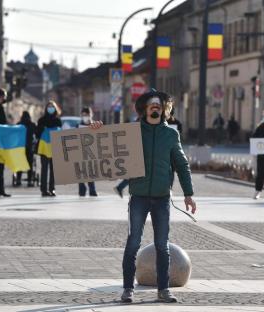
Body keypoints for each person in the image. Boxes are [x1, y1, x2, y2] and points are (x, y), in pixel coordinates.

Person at [89, 90, 196, 303]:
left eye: (159, 104)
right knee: (133, 243)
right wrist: (97, 131)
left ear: (164, 108)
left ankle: (163, 290)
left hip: (162, 198)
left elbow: (182, 165)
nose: (155, 107)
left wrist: (188, 194)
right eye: (151, 104)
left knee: (162, 245)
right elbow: (109, 143)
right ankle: (128, 289)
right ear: (145, 108)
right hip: (138, 197)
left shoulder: (171, 135)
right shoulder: (133, 131)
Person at [36, 100, 62, 197]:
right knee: (44, 169)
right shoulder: (41, 120)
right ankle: (44, 189)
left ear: (55, 108)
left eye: (52, 107)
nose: (50, 108)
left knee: (53, 169)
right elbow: (37, 134)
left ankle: (52, 189)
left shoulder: (58, 121)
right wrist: (41, 129)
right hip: (44, 147)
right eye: (49, 107)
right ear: (46, 109)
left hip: (55, 146)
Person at [77, 107, 98, 197]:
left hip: (91, 152)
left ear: (90, 115)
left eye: (87, 115)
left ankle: (92, 190)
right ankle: (82, 189)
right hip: (80, 152)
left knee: (91, 172)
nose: (85, 117)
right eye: (83, 115)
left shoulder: (95, 125)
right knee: (80, 171)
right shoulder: (78, 126)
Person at [15, 111, 36, 187]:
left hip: (20, 147)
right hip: (29, 147)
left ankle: (18, 179)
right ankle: (30, 180)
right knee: (29, 164)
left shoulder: (18, 125)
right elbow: (36, 134)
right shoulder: (32, 125)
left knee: (20, 163)